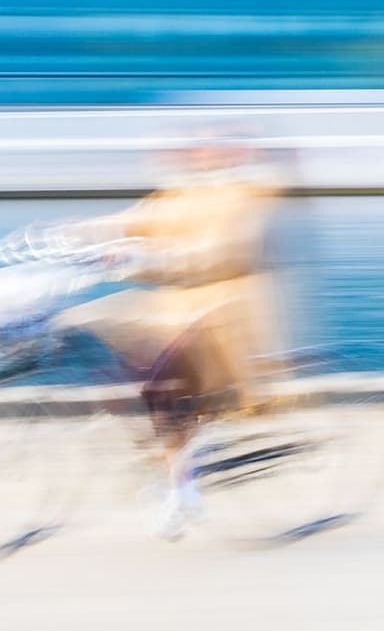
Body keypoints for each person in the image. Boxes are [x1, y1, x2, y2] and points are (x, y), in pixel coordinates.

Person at [67, 133, 289, 538]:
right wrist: (73, 235)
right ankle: (172, 461)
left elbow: (219, 253)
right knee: (92, 329)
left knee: (163, 378)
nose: (197, 157)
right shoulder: (177, 195)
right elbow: (133, 222)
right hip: (176, 309)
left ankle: (179, 479)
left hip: (224, 313)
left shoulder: (245, 197)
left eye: (210, 150)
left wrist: (146, 257)